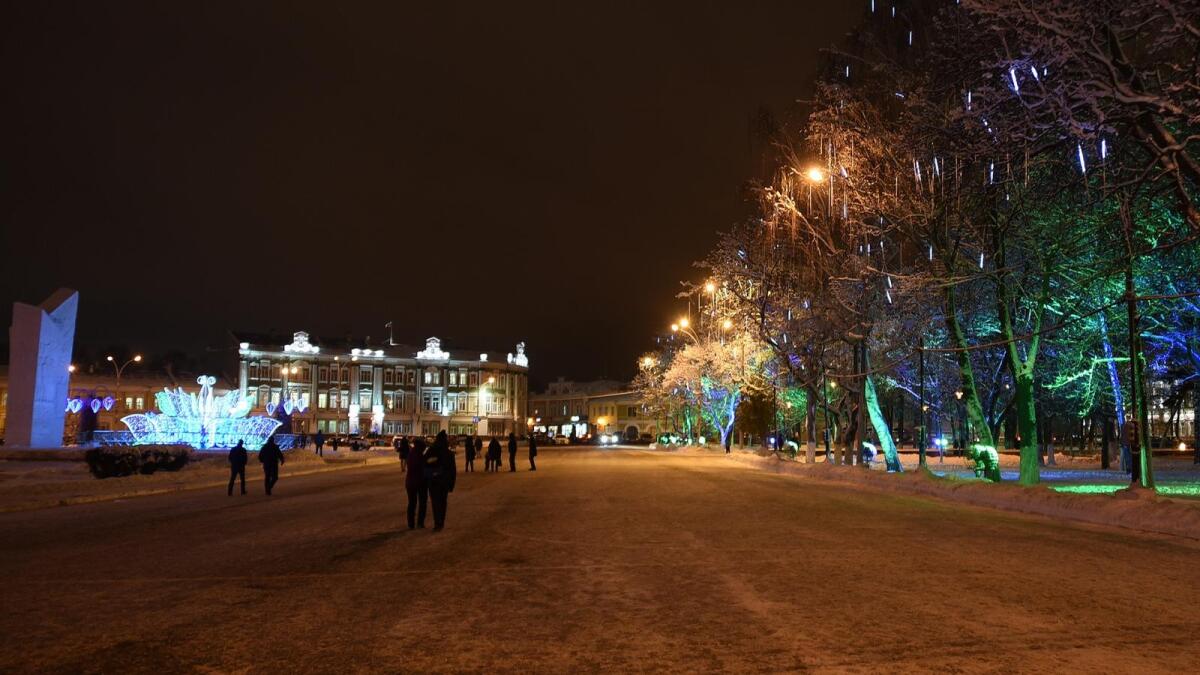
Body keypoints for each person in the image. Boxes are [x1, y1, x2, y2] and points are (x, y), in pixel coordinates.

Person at [423, 431, 457, 531]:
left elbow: (424, 464)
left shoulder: (431, 450)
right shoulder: (449, 453)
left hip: (433, 481)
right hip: (444, 482)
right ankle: (441, 522)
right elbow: (453, 471)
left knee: (435, 502)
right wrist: (451, 484)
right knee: (443, 502)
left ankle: (437, 523)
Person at [406, 437, 428, 529]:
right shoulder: (419, 456)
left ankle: (411, 524)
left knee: (412, 503)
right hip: (420, 482)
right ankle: (420, 522)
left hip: (410, 482)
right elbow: (422, 469)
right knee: (422, 503)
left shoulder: (411, 454)